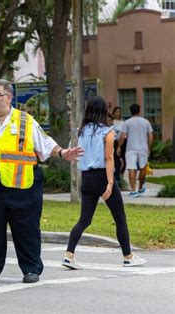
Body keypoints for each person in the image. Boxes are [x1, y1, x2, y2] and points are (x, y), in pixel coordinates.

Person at [0, 79, 84, 284]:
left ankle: (31, 269)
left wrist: (63, 152)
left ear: (8, 97)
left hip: (23, 188)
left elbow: (46, 144)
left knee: (27, 230)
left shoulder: (25, 121)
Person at [62, 96, 146, 269]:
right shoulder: (107, 131)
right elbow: (109, 158)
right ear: (102, 112)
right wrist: (109, 183)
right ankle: (128, 256)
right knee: (120, 217)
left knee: (84, 219)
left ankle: (69, 255)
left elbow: (73, 153)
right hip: (102, 176)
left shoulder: (80, 132)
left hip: (86, 178)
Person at [117, 104, 153, 198]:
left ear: (130, 111)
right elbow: (150, 136)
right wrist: (149, 147)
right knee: (142, 168)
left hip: (130, 148)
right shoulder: (146, 122)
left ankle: (133, 191)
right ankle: (140, 188)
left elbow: (122, 136)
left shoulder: (127, 122)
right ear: (139, 110)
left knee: (131, 168)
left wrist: (119, 147)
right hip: (143, 148)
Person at [112, 106, 126, 185]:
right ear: (113, 113)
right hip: (114, 142)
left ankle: (122, 174)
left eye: (119, 111)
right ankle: (116, 177)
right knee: (116, 160)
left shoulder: (123, 122)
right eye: (116, 111)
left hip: (123, 142)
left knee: (123, 159)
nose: (118, 113)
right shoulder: (112, 122)